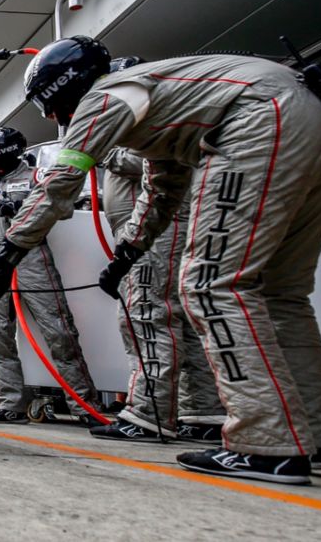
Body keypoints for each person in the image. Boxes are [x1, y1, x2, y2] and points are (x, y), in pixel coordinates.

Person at [0, 36, 321, 484]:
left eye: (53, 109)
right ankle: (317, 437)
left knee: (211, 285)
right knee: (281, 294)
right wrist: (129, 253)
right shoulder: (158, 105)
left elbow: (61, 180)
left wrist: (9, 251)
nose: (58, 120)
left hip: (262, 120)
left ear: (64, 91)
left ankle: (265, 442)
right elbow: (163, 189)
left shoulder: (107, 94)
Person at [0, 127, 98, 424]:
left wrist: (18, 207)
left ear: (4, 152)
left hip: (31, 256)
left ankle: (84, 405)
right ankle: (10, 404)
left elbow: (64, 205)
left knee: (59, 331)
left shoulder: (36, 176)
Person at [90, 145, 226, 444]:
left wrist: (109, 155)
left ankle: (148, 415)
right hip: (163, 227)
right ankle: (204, 414)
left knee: (148, 317)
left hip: (153, 231)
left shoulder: (138, 123)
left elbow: (165, 157)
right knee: (184, 324)